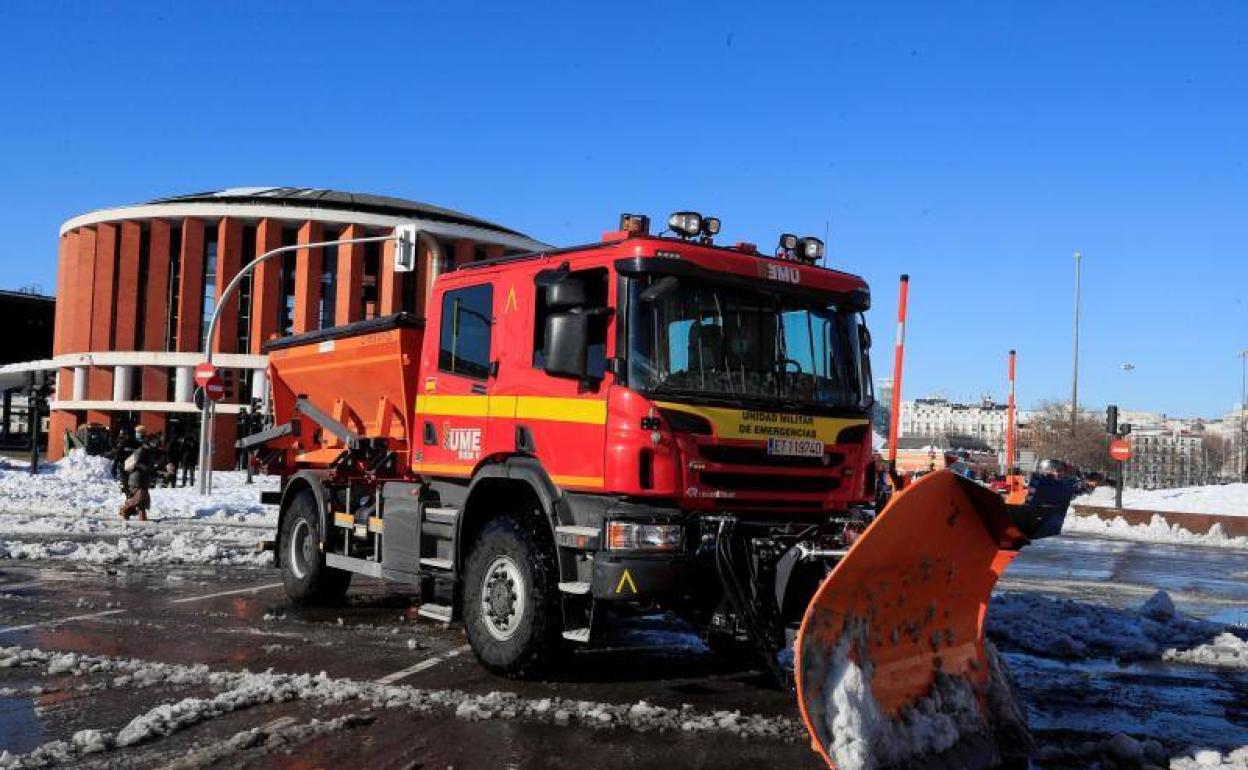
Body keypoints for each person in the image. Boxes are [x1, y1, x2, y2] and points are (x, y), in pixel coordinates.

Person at [118, 428, 156, 522]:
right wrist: (146, 468)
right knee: (139, 497)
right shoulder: (141, 450)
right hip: (137, 478)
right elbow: (137, 463)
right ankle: (124, 508)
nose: (156, 442)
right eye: (154, 440)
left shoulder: (150, 451)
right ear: (149, 441)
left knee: (143, 498)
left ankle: (141, 516)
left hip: (144, 477)